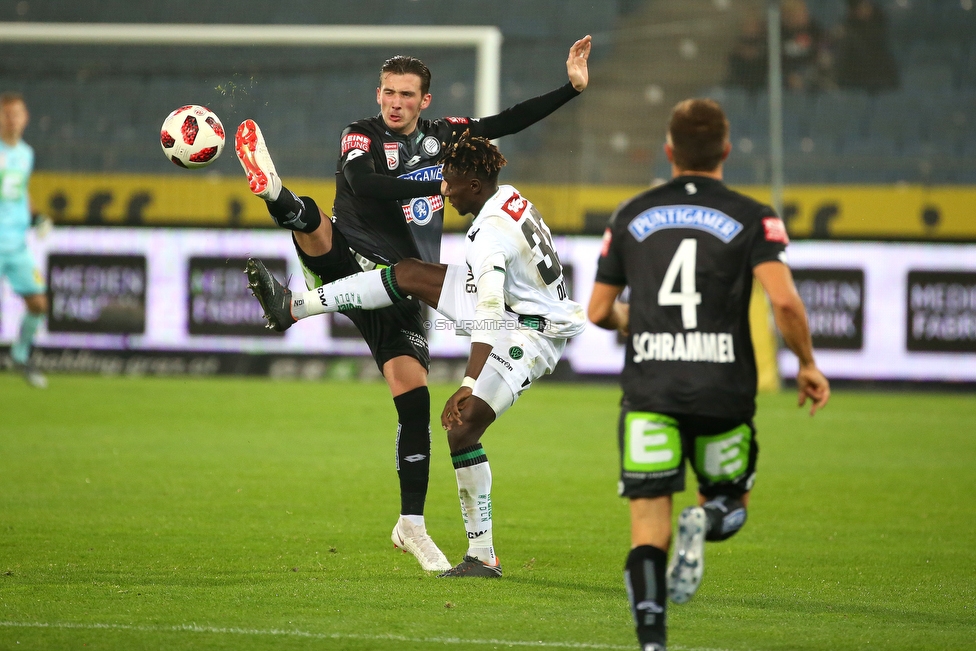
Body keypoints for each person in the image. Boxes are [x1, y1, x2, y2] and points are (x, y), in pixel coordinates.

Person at [235, 37, 591, 572]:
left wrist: (571, 88)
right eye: (388, 92)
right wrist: (435, 177)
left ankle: (413, 526)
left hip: (408, 295)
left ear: (426, 101)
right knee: (313, 219)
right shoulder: (362, 134)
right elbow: (365, 185)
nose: (394, 103)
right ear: (378, 94)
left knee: (417, 406)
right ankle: (277, 201)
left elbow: (508, 121)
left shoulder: (446, 138)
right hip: (353, 258)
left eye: (406, 95)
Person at [587, 99, 830, 651]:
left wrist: (636, 319)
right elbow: (785, 303)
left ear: (669, 151)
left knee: (648, 531)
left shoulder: (630, 213)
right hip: (724, 389)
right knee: (730, 501)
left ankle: (652, 642)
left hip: (651, 390)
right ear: (725, 150)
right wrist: (809, 364)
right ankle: (710, 515)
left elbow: (599, 311)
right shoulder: (753, 216)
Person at [0, 92, 51, 389]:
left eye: (16, 114)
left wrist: (37, 217)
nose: (11, 119)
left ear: (25, 118)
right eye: (6, 114)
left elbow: (19, 192)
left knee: (38, 303)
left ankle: (20, 356)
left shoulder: (26, 154)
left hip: (16, 246)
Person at [833, 0, 899, 93]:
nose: (864, 9)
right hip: (855, 82)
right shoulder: (848, 30)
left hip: (878, 80)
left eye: (866, 5)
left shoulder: (878, 25)